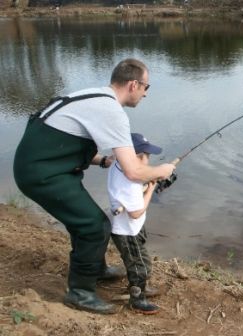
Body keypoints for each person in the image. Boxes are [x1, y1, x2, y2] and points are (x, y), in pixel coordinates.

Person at [13, 59, 175, 315]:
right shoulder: (112, 111)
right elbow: (134, 171)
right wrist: (162, 171)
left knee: (87, 221)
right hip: (42, 174)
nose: (146, 93)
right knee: (94, 225)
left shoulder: (93, 97)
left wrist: (102, 160)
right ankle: (80, 292)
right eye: (146, 87)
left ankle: (96, 269)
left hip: (43, 166)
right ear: (133, 84)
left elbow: (63, 140)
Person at [108, 133, 163, 314]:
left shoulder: (118, 166)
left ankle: (142, 287)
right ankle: (137, 299)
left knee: (140, 259)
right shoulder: (130, 182)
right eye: (147, 156)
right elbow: (136, 212)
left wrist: (145, 185)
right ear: (137, 157)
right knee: (141, 267)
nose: (148, 160)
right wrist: (150, 190)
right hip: (127, 232)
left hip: (131, 229)